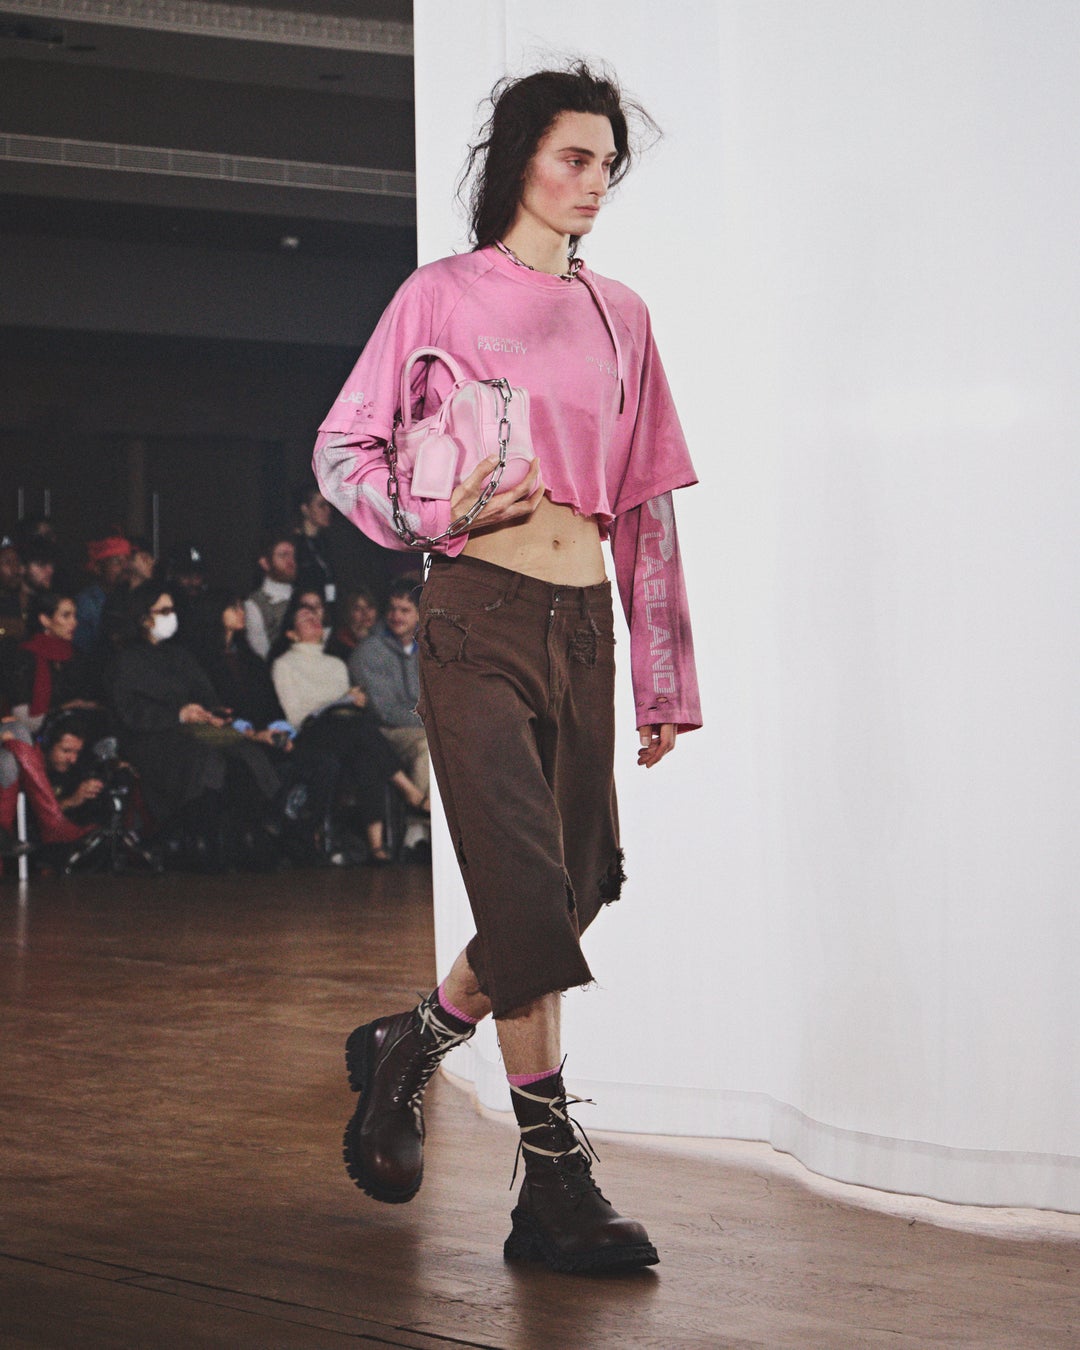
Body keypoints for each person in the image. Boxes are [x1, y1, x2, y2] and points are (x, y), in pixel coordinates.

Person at [313, 63, 701, 1273]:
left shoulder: (623, 314)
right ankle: (556, 1185)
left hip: (585, 628)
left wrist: (664, 676)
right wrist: (435, 515)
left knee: (575, 893)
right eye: (573, 158)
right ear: (520, 157)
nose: (594, 184)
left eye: (607, 166)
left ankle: (412, 1044)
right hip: (476, 618)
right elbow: (343, 452)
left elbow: (646, 505)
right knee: (531, 903)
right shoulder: (438, 297)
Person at [271, 602, 428, 863]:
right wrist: (337, 701)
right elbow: (296, 714)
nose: (314, 619)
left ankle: (376, 846)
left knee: (366, 751)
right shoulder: (284, 664)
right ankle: (410, 792)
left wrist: (352, 701)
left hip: (346, 730)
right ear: (291, 633)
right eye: (305, 617)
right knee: (360, 730)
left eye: (316, 615)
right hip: (311, 732)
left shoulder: (336, 664)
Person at [348, 577, 429, 806]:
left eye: (405, 610)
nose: (396, 616)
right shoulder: (368, 652)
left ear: (419, 614)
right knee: (429, 746)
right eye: (392, 609)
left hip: (423, 725)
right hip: (387, 732)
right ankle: (421, 819)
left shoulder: (428, 647)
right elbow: (385, 711)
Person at [244, 533, 297, 660]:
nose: (291, 561)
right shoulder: (255, 603)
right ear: (265, 563)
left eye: (293, 555)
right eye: (283, 555)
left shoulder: (304, 594)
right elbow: (262, 653)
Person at [291, 483, 337, 613]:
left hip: (327, 609)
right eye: (321, 505)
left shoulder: (327, 543)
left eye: (328, 505)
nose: (328, 510)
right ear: (305, 509)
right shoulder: (294, 544)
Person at [324, 587, 378, 663]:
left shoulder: (382, 636)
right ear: (347, 613)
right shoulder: (338, 644)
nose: (366, 613)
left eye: (369, 607)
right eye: (357, 609)